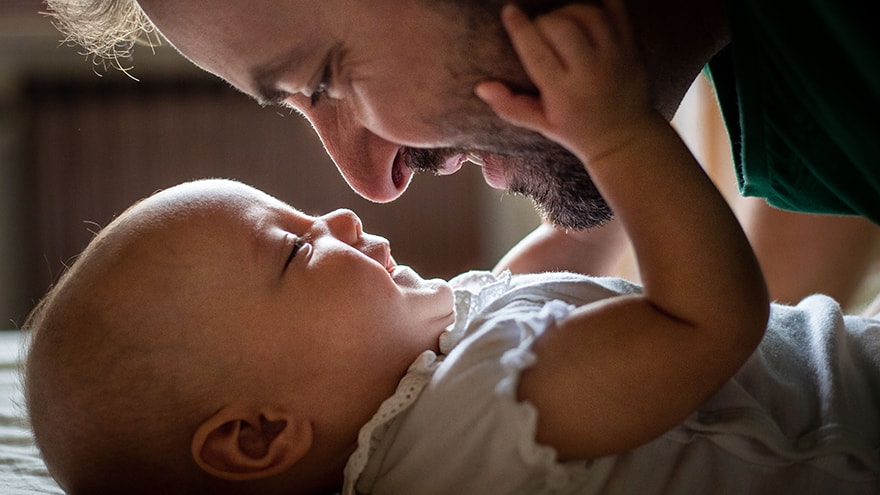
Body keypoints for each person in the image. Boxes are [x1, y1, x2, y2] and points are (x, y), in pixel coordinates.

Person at [23, 5, 879, 493]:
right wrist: (615, 138)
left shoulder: (445, 366)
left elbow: (563, 258)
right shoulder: (483, 420)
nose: (357, 198)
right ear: (259, 433)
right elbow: (705, 318)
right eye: (295, 252)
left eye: (324, 76)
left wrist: (600, 154)